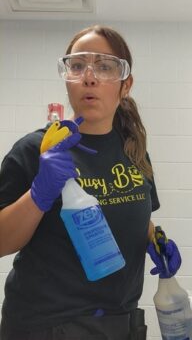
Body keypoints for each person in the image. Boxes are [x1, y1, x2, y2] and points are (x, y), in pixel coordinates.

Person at [0, 25, 181, 340]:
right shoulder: (35, 150)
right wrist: (39, 194)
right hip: (45, 325)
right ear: (68, 79)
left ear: (126, 85)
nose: (89, 76)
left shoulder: (134, 150)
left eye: (105, 66)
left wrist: (155, 240)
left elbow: (135, 215)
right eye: (78, 65)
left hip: (119, 321)